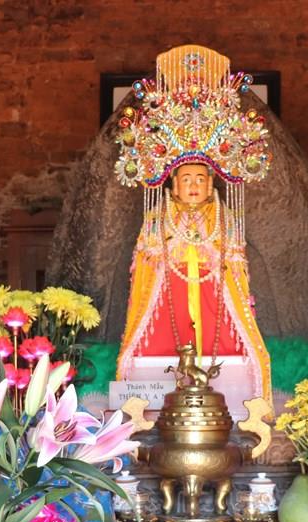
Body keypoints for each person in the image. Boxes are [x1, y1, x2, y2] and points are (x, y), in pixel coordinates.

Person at [114, 45, 272, 403]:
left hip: (213, 298)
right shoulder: (158, 217)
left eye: (201, 178)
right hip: (168, 294)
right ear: (172, 184)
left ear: (212, 182)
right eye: (186, 179)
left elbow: (235, 267)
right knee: (160, 332)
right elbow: (145, 268)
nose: (194, 185)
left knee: (222, 333)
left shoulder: (222, 216)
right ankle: (147, 397)